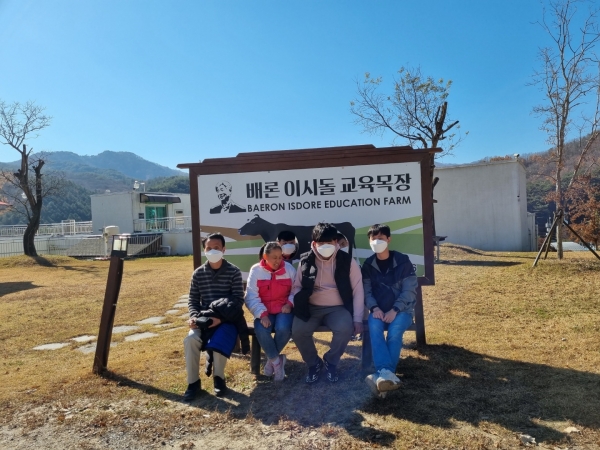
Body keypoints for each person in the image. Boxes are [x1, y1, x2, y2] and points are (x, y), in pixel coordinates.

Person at [291, 222, 364, 383]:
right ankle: (314, 364)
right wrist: (299, 303)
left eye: (329, 242)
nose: (325, 246)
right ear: (314, 243)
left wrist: (357, 319)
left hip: (337, 308)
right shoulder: (305, 260)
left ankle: (331, 361)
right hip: (311, 307)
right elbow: (297, 286)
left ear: (336, 242)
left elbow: (358, 290)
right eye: (321, 243)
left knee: (345, 329)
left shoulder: (347, 261)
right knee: (298, 331)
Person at [183, 232, 246, 400]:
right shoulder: (198, 273)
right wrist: (194, 317)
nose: (212, 251)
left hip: (226, 320)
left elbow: (238, 301)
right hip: (204, 319)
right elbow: (193, 299)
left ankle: (219, 378)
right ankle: (193, 383)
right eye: (208, 248)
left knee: (220, 338)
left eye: (216, 247)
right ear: (204, 250)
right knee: (190, 340)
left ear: (224, 249)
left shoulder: (233, 271)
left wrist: (221, 319)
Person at [362, 224, 417, 397]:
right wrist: (375, 308)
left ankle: (382, 375)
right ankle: (386, 377)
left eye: (381, 238)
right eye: (373, 239)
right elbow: (366, 292)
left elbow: (409, 291)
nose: (377, 242)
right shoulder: (368, 265)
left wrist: (395, 309)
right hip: (378, 310)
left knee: (394, 331)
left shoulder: (402, 261)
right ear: (369, 241)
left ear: (389, 239)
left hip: (402, 311)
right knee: (374, 327)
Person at [245, 242, 296, 381]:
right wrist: (262, 314)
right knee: (261, 329)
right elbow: (251, 296)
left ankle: (271, 360)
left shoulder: (289, 269)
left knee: (284, 327)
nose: (278, 261)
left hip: (283, 309)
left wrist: (289, 304)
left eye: (280, 257)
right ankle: (277, 361)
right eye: (274, 257)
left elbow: (296, 290)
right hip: (264, 310)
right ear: (265, 256)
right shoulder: (256, 270)